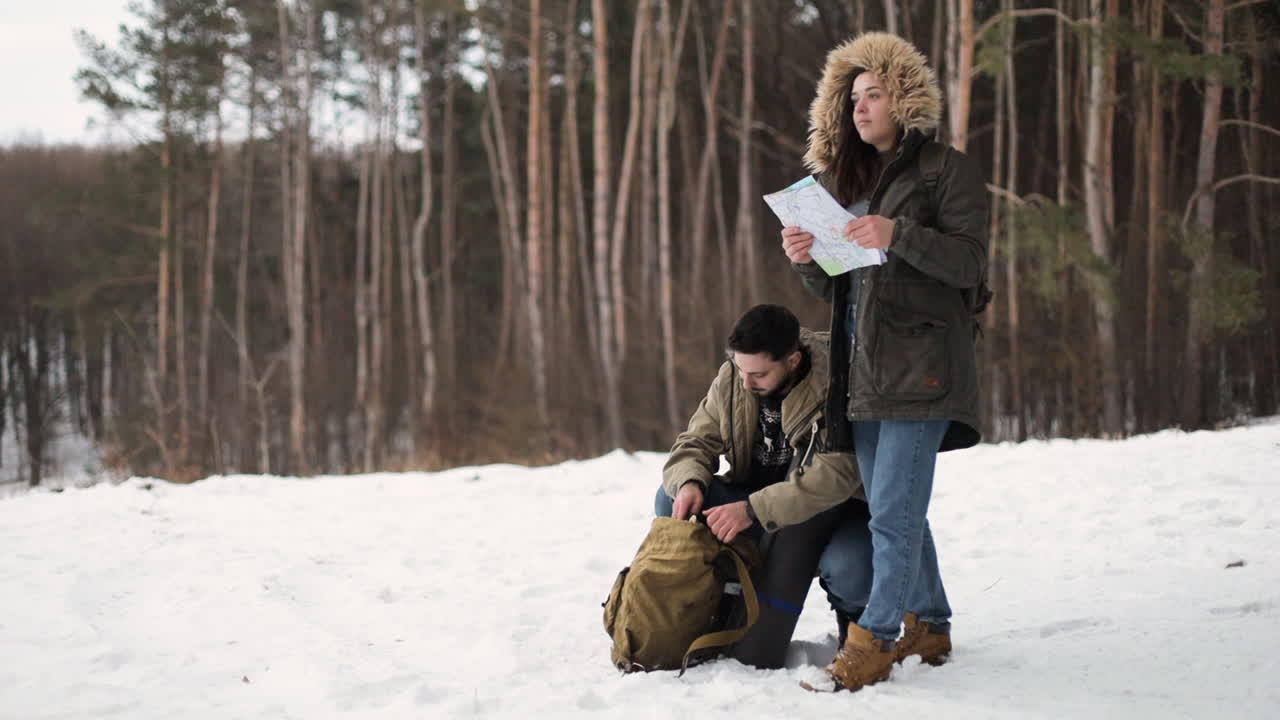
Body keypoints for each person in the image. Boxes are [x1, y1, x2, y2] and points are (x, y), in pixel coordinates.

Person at [780, 32, 989, 691]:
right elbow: (840, 288)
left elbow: (971, 263)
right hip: (862, 373)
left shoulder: (944, 170)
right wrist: (808, 259)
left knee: (892, 515)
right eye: (852, 100)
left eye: (874, 95)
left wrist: (899, 234)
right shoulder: (847, 182)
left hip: (923, 367)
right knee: (894, 510)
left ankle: (872, 643)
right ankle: (930, 623)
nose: (861, 108)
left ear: (903, 99)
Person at [655, 303, 864, 668]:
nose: (746, 384)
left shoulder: (836, 382)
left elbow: (837, 475)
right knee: (670, 498)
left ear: (793, 361)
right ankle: (718, 603)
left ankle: (856, 626)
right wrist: (688, 481)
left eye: (759, 374)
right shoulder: (733, 380)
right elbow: (694, 442)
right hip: (752, 505)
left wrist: (753, 509)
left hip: (830, 514)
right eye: (740, 370)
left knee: (854, 568)